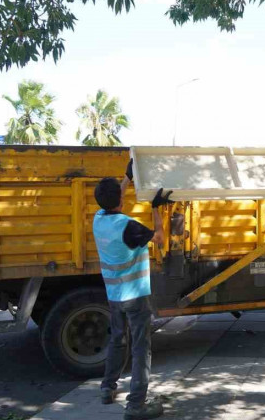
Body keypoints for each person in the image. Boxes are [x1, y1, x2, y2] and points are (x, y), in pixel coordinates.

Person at [94, 159, 173, 420]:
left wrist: (127, 178)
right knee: (141, 348)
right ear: (119, 201)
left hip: (114, 296)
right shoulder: (128, 227)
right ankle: (136, 405)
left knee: (117, 340)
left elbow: (116, 200)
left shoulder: (99, 219)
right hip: (135, 296)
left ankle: (107, 388)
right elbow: (159, 237)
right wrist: (156, 209)